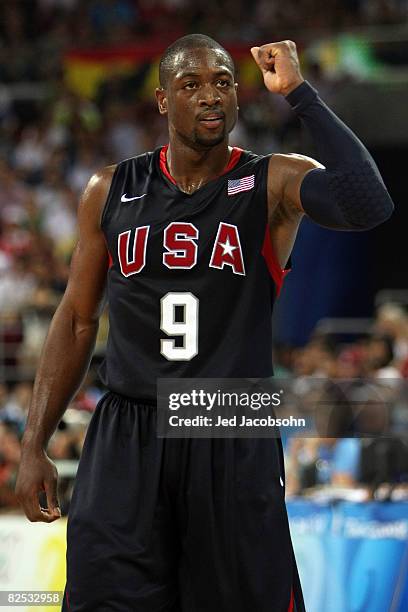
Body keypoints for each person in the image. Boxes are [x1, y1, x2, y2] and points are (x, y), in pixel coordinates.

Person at [15, 34, 393, 612]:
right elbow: (74, 321)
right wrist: (34, 443)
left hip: (227, 420)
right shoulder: (109, 188)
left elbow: (370, 203)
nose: (211, 96)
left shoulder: (274, 181)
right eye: (191, 85)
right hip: (128, 427)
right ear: (164, 101)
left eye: (222, 82)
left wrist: (299, 92)